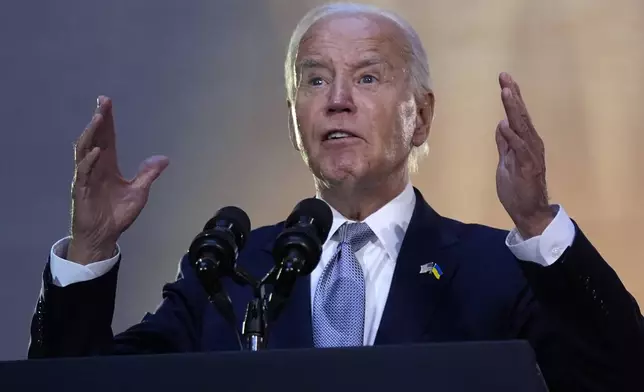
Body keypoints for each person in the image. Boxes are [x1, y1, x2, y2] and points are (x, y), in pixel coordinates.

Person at [28, 2, 643, 390]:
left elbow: (620, 374)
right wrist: (90, 248)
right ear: (295, 116)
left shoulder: (495, 271)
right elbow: (76, 385)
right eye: (315, 78)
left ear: (421, 117)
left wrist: (538, 223)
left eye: (368, 76)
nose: (337, 99)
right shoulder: (230, 273)